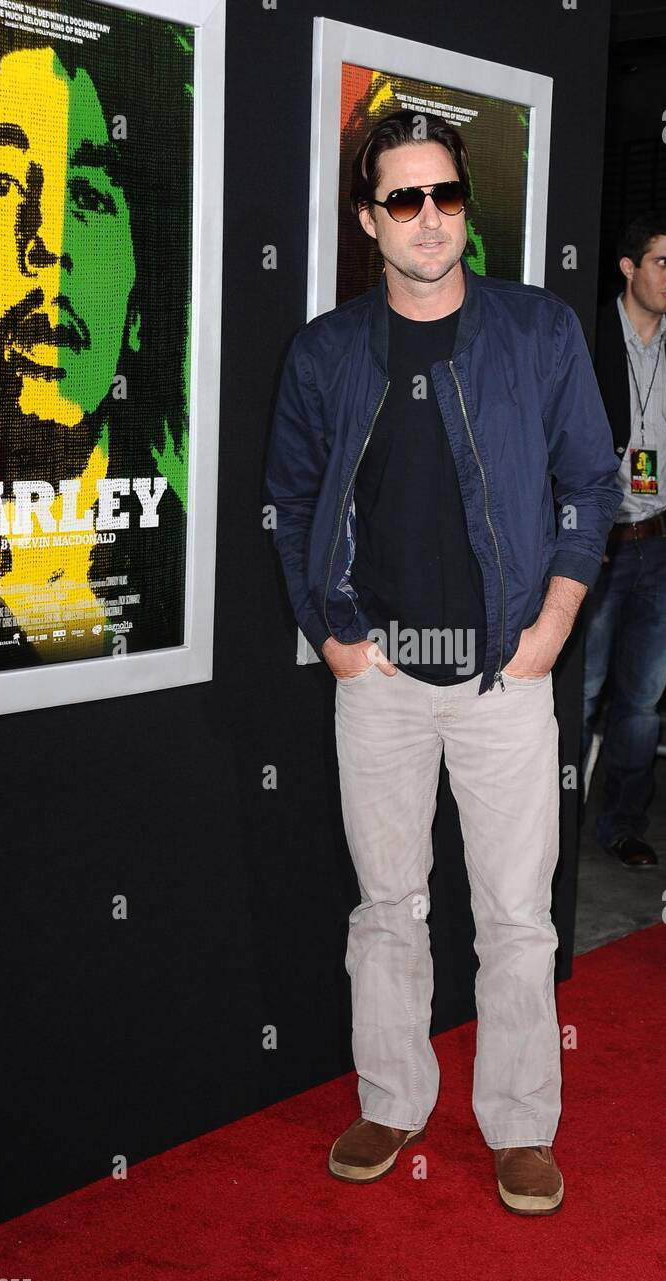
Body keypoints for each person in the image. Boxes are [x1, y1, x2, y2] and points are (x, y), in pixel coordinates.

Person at [265, 110, 621, 1215]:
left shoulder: (537, 332)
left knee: (517, 914)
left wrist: (553, 627)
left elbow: (591, 486)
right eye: (406, 200)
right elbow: (287, 503)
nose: (432, 220)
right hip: (377, 678)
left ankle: (519, 1122)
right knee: (386, 905)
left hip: (504, 676)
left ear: (466, 205)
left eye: (448, 196)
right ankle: (391, 1096)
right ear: (370, 219)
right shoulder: (327, 351)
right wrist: (334, 639)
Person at [0, 32, 188, 670]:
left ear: (142, 295)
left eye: (87, 198)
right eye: (2, 185)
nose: (44, 247)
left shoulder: (175, 555)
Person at [581, 212, 666, 867]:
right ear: (627, 267)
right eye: (661, 262)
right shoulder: (584, 335)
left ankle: (622, 825)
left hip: (664, 544)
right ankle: (547, 824)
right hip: (596, 545)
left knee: (640, 703)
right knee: (578, 694)